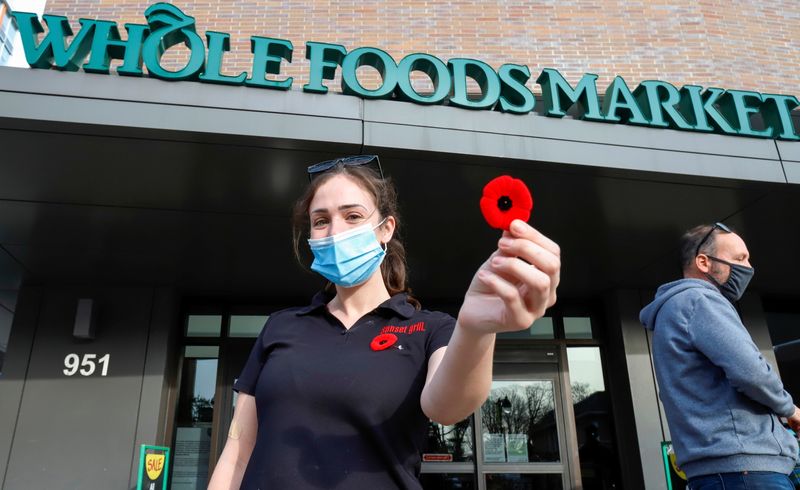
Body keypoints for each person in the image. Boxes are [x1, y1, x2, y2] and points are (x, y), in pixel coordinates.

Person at [207, 155, 561, 489]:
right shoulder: (279, 328)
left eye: (353, 216)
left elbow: (447, 407)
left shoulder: (429, 329)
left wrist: (475, 329)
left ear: (385, 228)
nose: (334, 231)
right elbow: (237, 453)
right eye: (321, 220)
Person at [640, 222, 800, 490]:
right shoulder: (700, 301)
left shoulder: (674, 310)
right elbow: (751, 372)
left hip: (720, 471)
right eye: (739, 259)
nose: (748, 268)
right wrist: (790, 409)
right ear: (703, 262)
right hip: (745, 470)